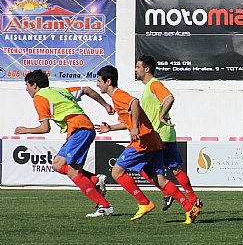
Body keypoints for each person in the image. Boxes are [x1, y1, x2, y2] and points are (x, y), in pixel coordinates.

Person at [95, 65, 201, 224]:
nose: (97, 85)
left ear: (108, 81)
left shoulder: (118, 95)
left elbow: (134, 102)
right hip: (153, 139)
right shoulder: (117, 98)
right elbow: (129, 121)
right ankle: (188, 208)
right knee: (160, 180)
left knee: (117, 172)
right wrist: (111, 127)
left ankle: (144, 203)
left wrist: (136, 127)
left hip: (142, 141)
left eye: (99, 81)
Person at [14, 69, 113, 217]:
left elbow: (45, 128)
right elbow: (86, 90)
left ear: (34, 85)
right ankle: (95, 180)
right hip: (83, 128)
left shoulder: (40, 97)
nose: (26, 89)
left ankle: (104, 205)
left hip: (79, 129)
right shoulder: (60, 91)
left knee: (69, 170)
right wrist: (105, 105)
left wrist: (25, 130)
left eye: (27, 85)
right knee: (58, 164)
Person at [135, 55, 202, 213]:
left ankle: (168, 193)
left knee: (141, 166)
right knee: (175, 168)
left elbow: (169, 98)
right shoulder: (149, 87)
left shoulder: (154, 84)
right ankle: (193, 199)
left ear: (147, 69)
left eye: (138, 67)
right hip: (166, 134)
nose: (135, 70)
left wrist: (161, 115)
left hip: (158, 135)